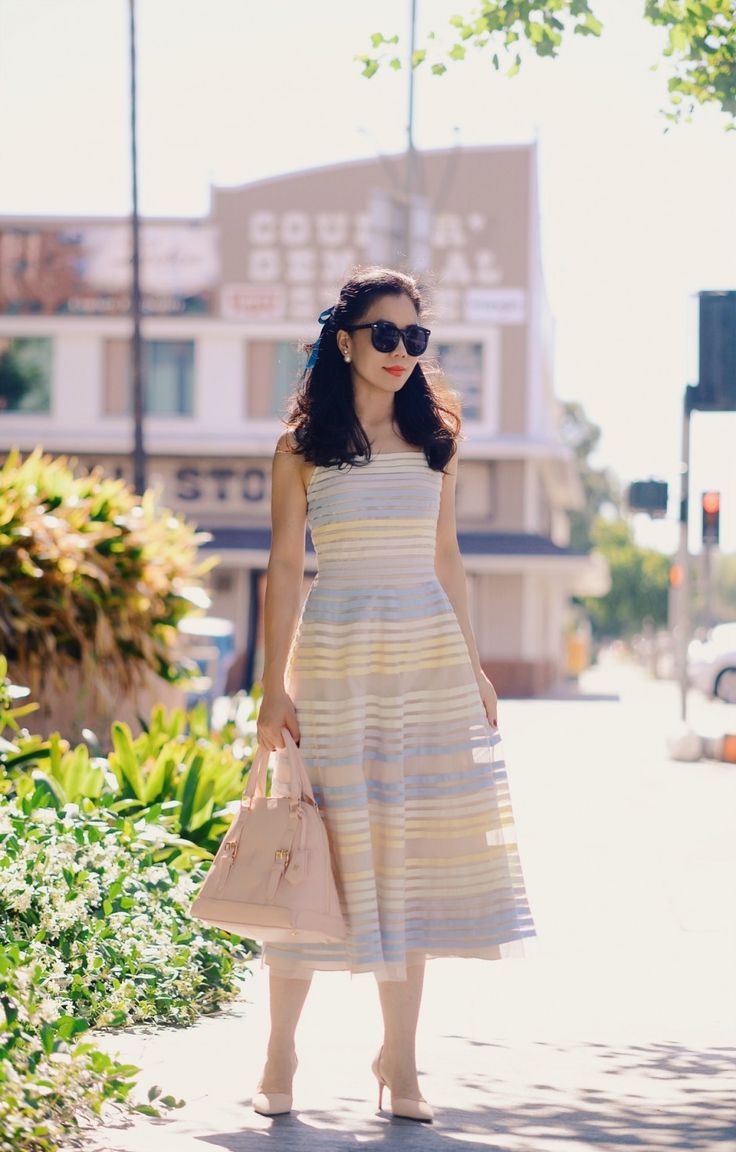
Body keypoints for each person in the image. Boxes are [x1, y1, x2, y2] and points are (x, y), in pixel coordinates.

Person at [254, 266, 536, 1122]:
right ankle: (279, 1051)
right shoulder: (302, 448)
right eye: (386, 334)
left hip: (424, 659)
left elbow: (448, 557)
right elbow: (280, 568)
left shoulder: (438, 439)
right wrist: (272, 689)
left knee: (406, 855)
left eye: (416, 338)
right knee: (314, 851)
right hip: (334, 653)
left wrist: (476, 665)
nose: (401, 352)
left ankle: (400, 1061)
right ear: (344, 340)